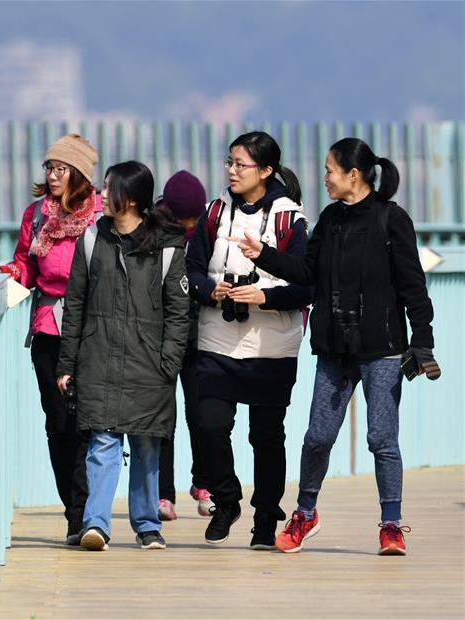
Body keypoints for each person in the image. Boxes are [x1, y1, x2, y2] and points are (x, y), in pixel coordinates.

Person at [233, 137, 440, 555]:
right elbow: (306, 272)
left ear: (353, 175)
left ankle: (391, 525)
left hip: (382, 348)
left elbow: (413, 286)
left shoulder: (391, 219)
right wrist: (264, 255)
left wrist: (423, 343)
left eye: (330, 170)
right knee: (317, 438)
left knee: (382, 439)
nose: (324, 177)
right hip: (333, 350)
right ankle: (305, 514)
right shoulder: (330, 218)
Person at [186, 131, 311, 548]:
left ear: (267, 170)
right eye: (229, 162)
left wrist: (264, 296)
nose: (232, 171)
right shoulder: (214, 211)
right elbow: (191, 270)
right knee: (208, 422)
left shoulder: (289, 218)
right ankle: (226, 499)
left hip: (271, 345)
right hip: (217, 337)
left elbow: (307, 285)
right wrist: (211, 290)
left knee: (266, 435)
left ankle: (264, 522)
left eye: (241, 164)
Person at [56, 160, 190, 551]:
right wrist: (67, 364)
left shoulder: (167, 247)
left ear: (129, 198)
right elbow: (75, 304)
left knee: (148, 444)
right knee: (102, 441)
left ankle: (147, 524)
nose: (100, 194)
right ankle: (96, 525)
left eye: (108, 188)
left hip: (151, 364)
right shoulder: (91, 240)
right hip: (99, 358)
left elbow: (180, 314)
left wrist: (169, 362)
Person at [0, 133, 101, 545]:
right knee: (58, 423)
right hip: (47, 327)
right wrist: (8, 275)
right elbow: (25, 265)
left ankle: (87, 511)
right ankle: (74, 514)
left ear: (79, 174)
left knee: (87, 424)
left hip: (92, 329)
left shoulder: (99, 217)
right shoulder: (37, 215)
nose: (53, 176)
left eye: (61, 168)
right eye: (49, 168)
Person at [154, 171, 214, 521]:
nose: (192, 223)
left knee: (202, 414)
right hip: (161, 337)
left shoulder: (209, 231)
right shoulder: (153, 231)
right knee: (163, 417)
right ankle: (163, 494)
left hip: (201, 335)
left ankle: (202, 483)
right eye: (186, 218)